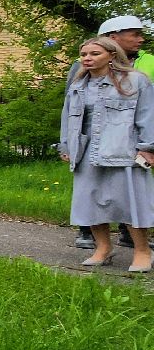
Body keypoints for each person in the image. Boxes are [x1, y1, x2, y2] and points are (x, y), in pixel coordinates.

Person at [59, 36, 154, 272]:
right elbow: (67, 117)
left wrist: (147, 147)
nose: (87, 59)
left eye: (94, 54)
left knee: (130, 203)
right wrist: (66, 146)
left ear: (112, 55)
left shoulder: (135, 81)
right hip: (86, 150)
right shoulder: (78, 85)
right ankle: (103, 248)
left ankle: (142, 251)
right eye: (84, 55)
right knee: (90, 202)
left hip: (123, 148)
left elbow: (147, 115)